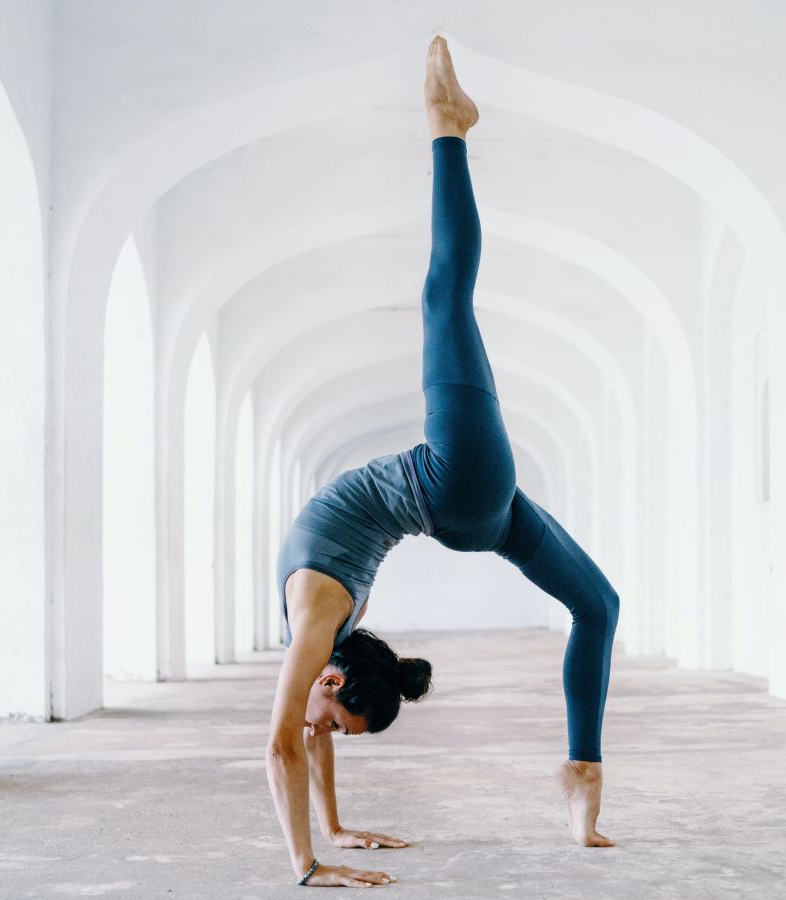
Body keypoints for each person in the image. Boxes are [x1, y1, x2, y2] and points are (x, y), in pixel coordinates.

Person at [264, 35, 620, 888]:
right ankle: (447, 129)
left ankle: (581, 777)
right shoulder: (326, 643)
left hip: (462, 492)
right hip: (462, 488)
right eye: (341, 727)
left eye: (335, 725)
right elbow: (305, 733)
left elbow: (281, 741)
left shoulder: (317, 621)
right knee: (445, 298)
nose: (323, 732)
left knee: (599, 605)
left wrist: (316, 858)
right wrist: (330, 838)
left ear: (334, 675)